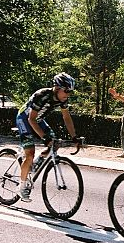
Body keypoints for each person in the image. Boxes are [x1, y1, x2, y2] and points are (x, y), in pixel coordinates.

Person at [15, 73, 80, 202]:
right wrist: (44, 138)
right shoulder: (42, 95)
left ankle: (34, 164)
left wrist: (74, 137)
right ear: (57, 88)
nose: (68, 94)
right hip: (24, 119)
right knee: (30, 153)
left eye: (70, 92)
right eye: (66, 91)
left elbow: (66, 117)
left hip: (38, 120)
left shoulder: (63, 99)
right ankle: (21, 187)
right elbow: (31, 119)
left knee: (55, 144)